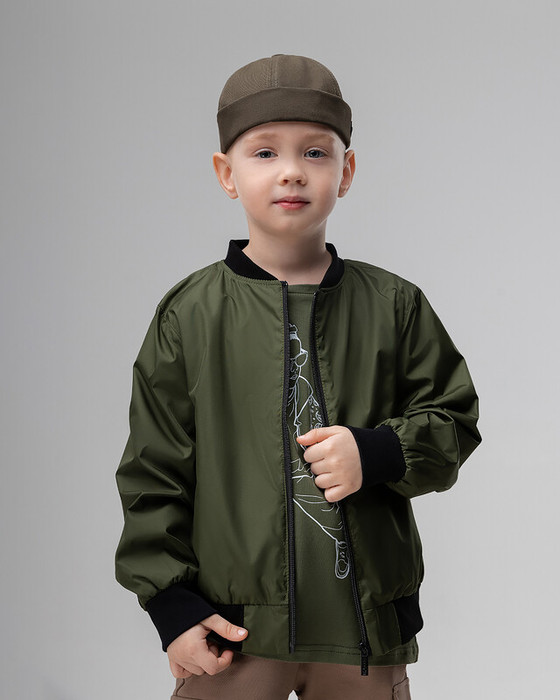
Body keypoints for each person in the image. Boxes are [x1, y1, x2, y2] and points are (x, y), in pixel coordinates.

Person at [114, 54, 482, 700]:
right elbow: (154, 471)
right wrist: (172, 606)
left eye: (315, 152)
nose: (291, 170)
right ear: (226, 174)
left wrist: (377, 452)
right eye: (264, 153)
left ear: (347, 172)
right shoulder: (189, 316)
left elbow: (454, 419)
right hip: (232, 633)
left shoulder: (394, 306)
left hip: (363, 634)